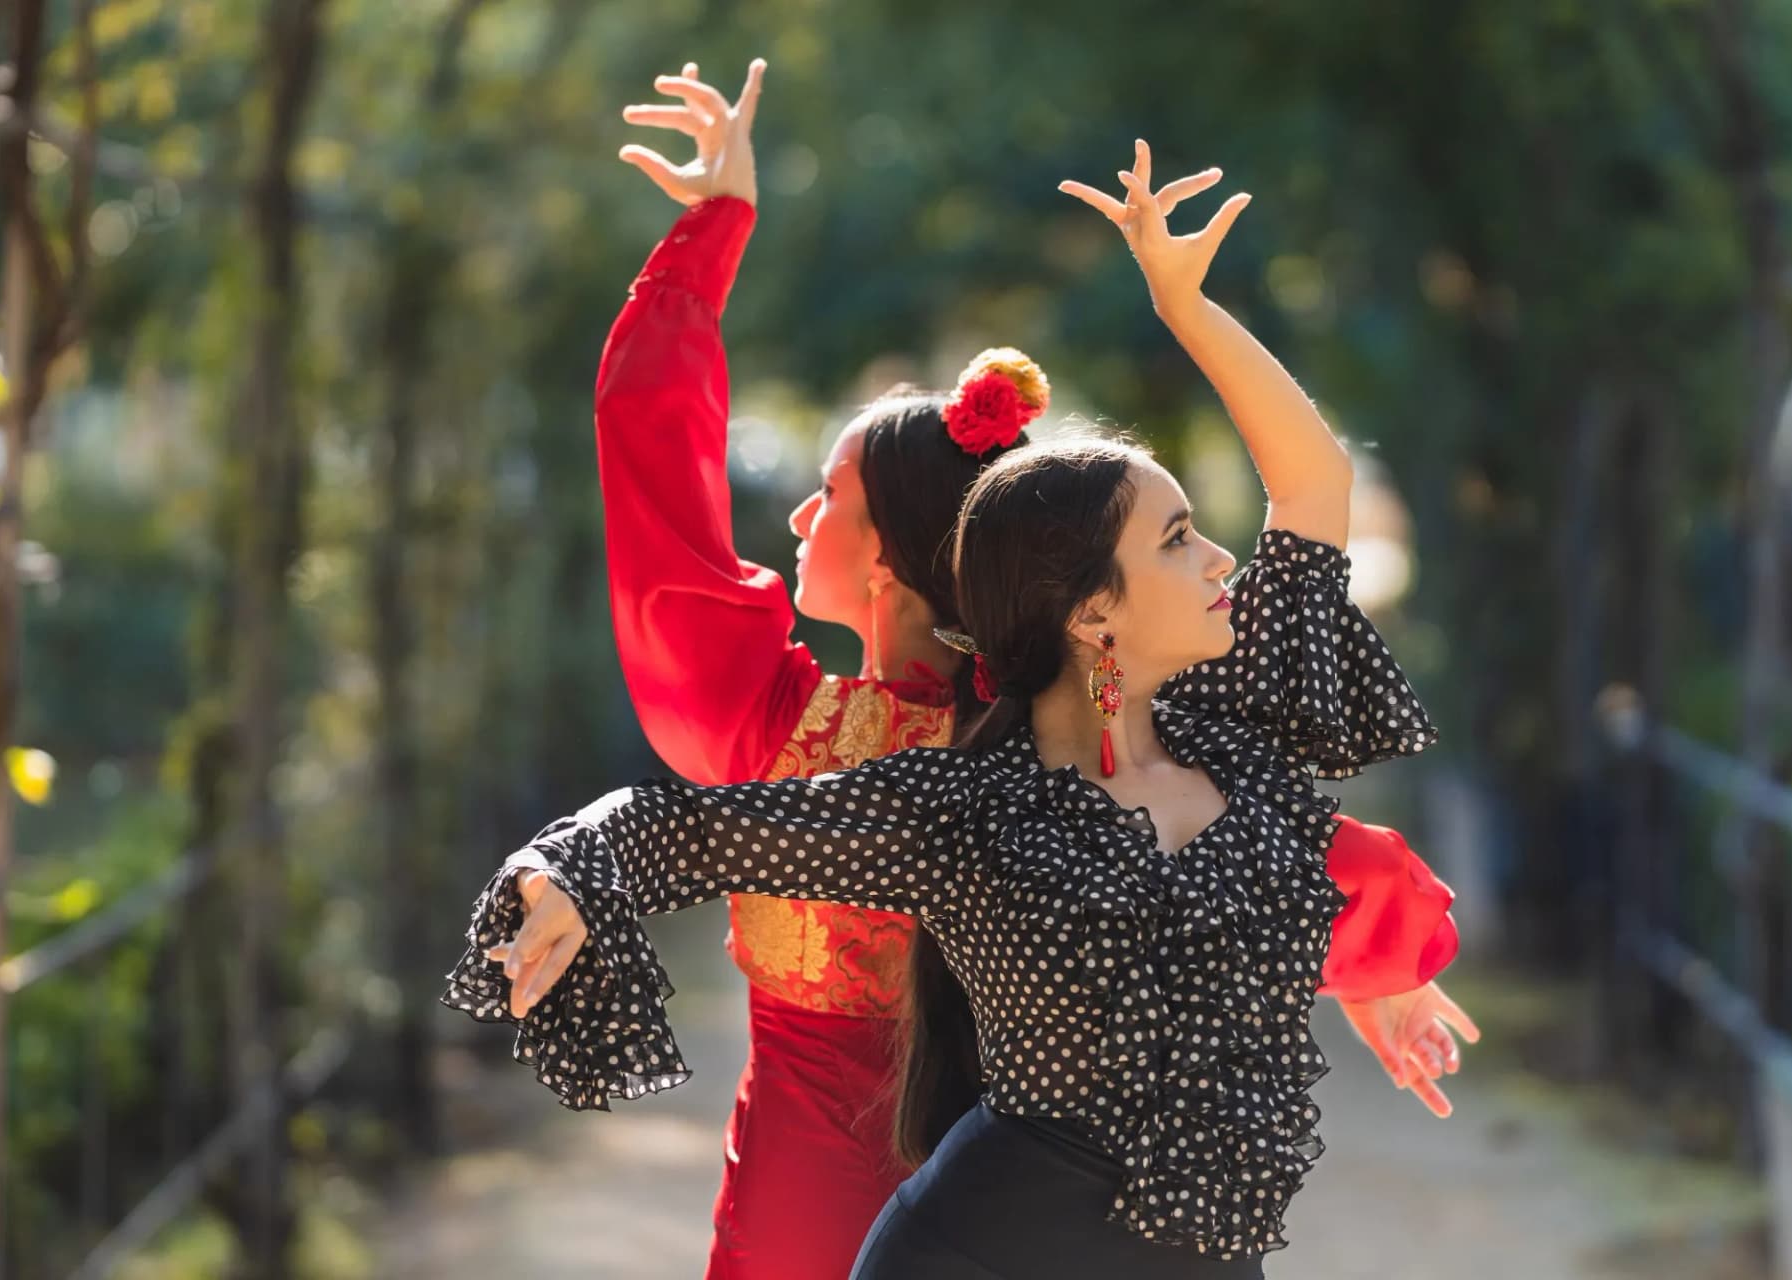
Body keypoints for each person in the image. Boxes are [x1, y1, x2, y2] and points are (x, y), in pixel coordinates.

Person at [444, 131, 1477, 1276]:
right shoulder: (975, 789)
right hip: (947, 1228)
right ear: (1092, 612)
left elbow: (1314, 489)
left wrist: (1183, 304)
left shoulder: (1213, 744)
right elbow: (672, 826)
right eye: (1181, 537)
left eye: (825, 496)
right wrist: (568, 870)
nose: (1220, 558)